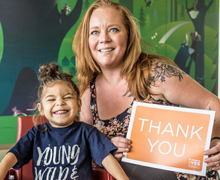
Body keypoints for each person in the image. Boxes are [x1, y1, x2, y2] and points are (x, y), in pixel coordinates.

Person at [72, 0, 220, 179]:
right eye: (94, 32)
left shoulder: (155, 73)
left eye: (113, 29)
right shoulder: (88, 94)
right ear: (86, 41)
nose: (104, 38)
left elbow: (211, 103)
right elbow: (85, 153)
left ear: (128, 34)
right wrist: (106, 147)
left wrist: (217, 139)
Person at [0, 63, 129, 180]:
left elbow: (106, 158)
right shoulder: (36, 133)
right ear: (41, 109)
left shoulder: (87, 132)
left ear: (79, 104)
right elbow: (13, 155)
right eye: (51, 99)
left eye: (67, 97)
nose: (60, 103)